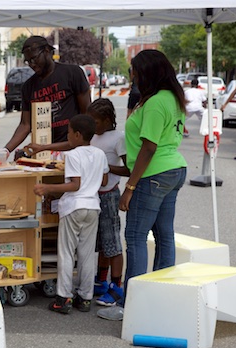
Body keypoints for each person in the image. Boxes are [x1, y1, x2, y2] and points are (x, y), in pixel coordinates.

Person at [98, 49, 187, 321]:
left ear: (148, 72)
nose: (132, 75)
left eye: (134, 70)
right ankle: (161, 298)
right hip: (173, 169)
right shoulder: (171, 97)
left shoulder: (158, 102)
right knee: (164, 235)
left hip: (154, 173)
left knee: (135, 237)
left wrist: (130, 187)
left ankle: (132, 306)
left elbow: (149, 147)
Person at [33, 114, 108, 314]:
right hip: (93, 206)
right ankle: (85, 298)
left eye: (68, 133)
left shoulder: (73, 155)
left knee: (66, 253)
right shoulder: (100, 154)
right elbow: (103, 180)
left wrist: (47, 188)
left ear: (77, 134)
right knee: (86, 254)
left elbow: (75, 185)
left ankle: (63, 298)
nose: (67, 137)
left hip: (74, 206)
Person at [4, 35, 91, 155]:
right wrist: (5, 150)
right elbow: (25, 124)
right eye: (28, 61)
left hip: (73, 151)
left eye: (34, 59)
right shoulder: (28, 87)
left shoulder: (73, 73)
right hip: (42, 152)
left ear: (46, 51)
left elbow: (86, 114)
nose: (32, 64)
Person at [86, 98, 130, 306]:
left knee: (112, 241)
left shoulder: (118, 138)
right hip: (94, 194)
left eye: (95, 122)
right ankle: (101, 280)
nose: (92, 125)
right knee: (102, 242)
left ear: (107, 120)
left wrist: (105, 167)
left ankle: (116, 286)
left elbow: (128, 169)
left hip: (109, 194)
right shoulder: (93, 137)